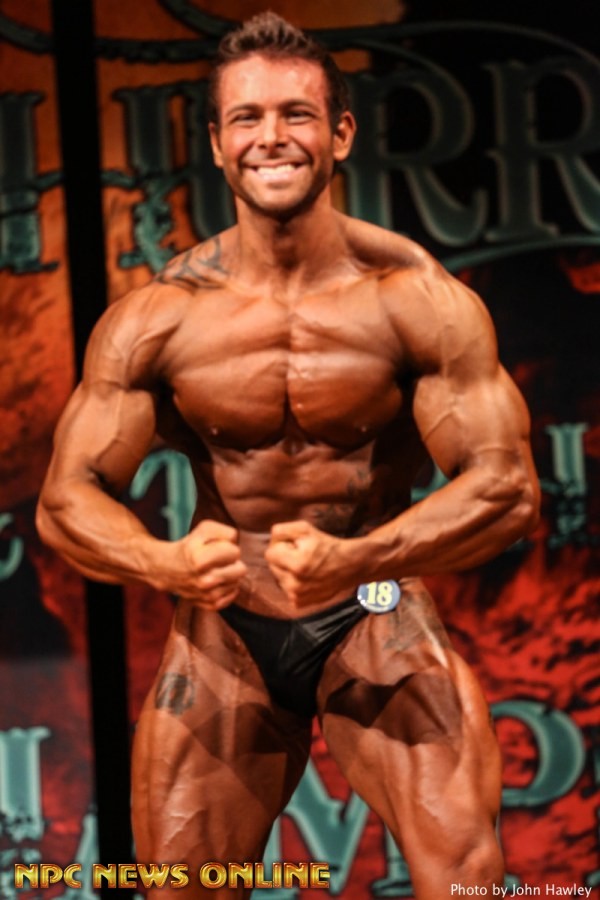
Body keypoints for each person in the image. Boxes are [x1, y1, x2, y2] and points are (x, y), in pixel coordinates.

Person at [37, 11, 540, 899]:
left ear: (340, 133)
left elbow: (506, 489)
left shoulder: (417, 301)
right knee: (182, 886)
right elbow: (65, 500)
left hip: (374, 605)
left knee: (467, 877)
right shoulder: (157, 320)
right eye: (248, 118)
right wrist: (163, 563)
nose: (272, 137)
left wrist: (361, 558)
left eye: (296, 114)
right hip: (227, 623)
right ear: (217, 144)